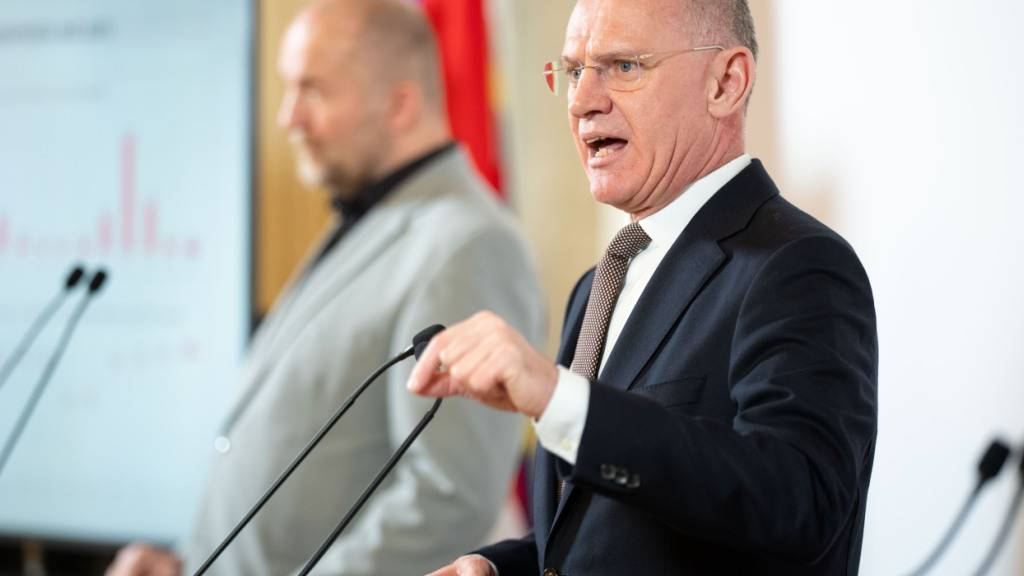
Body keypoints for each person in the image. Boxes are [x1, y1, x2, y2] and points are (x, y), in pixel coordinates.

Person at [409, 0, 878, 574]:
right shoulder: (600, 284)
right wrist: (500, 568)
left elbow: (796, 504)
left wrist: (558, 399)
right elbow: (609, 534)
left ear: (725, 83)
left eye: (624, 66)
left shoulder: (797, 266)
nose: (582, 102)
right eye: (575, 70)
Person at [106, 1, 545, 575]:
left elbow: (447, 498)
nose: (289, 117)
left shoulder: (468, 243)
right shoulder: (371, 217)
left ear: (400, 103)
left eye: (312, 91)